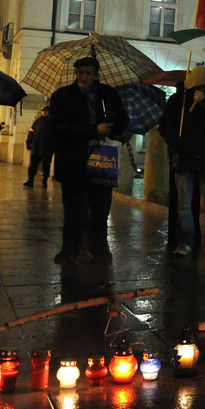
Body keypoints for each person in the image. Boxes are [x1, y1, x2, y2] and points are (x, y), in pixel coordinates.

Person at [49, 55, 128, 263]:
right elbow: (60, 127)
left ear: (96, 75)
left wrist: (112, 125)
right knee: (73, 209)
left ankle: (99, 246)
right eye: (80, 72)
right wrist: (93, 130)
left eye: (88, 73)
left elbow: (122, 120)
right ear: (75, 73)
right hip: (73, 159)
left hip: (102, 158)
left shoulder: (108, 94)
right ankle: (70, 248)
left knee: (101, 207)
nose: (83, 77)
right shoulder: (62, 95)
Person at [159, 65, 205, 257]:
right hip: (185, 157)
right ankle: (185, 241)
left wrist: (204, 103)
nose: (200, 88)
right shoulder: (177, 101)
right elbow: (165, 126)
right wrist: (177, 146)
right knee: (184, 202)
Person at [23, 106, 55, 187]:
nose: (44, 112)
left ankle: (44, 181)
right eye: (43, 111)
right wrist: (28, 141)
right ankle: (30, 180)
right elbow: (31, 132)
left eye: (46, 111)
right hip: (36, 146)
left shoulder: (52, 122)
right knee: (33, 165)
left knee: (46, 165)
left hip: (47, 147)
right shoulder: (37, 121)